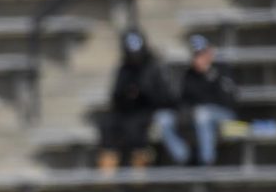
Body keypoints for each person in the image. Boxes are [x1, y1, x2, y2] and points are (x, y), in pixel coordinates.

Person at [97, 29, 175, 172]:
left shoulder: (154, 67)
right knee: (107, 123)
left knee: (134, 126)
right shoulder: (124, 69)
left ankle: (140, 169)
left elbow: (165, 97)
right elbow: (115, 96)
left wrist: (143, 93)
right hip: (126, 110)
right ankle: (107, 171)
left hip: (148, 110)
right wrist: (127, 94)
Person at [159, 34, 239, 166]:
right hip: (197, 117)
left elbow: (230, 101)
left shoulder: (221, 69)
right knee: (163, 118)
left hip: (226, 117)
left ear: (210, 52)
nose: (199, 59)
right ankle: (184, 158)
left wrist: (211, 77)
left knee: (203, 114)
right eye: (196, 55)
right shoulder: (190, 75)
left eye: (202, 53)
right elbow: (184, 101)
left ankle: (207, 162)